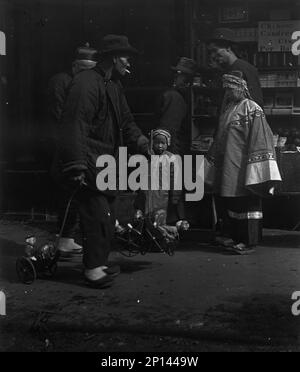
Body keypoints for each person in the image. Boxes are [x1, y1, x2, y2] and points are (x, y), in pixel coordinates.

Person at [57, 35, 150, 287]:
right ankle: (92, 269)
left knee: (106, 218)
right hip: (90, 162)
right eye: (125, 56)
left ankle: (97, 263)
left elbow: (127, 121)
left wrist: (142, 142)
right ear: (112, 57)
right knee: (97, 216)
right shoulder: (86, 83)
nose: (128, 60)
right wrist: (76, 164)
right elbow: (75, 125)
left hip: (106, 164)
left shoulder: (112, 85)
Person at [205, 71, 281, 254]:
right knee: (233, 203)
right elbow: (221, 138)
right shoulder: (229, 109)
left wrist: (256, 165)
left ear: (240, 88)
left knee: (248, 204)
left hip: (245, 165)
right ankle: (235, 237)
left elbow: (260, 137)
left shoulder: (252, 108)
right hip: (230, 165)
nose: (227, 93)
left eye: (230, 89)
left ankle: (249, 241)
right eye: (226, 90)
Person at [47, 44, 98, 257]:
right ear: (74, 65)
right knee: (70, 190)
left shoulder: (83, 83)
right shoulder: (61, 81)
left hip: (78, 141)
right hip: (64, 142)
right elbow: (61, 117)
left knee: (77, 191)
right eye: (83, 68)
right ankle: (64, 238)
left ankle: (67, 237)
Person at [207, 28, 264, 109]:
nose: (212, 56)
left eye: (215, 50)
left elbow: (256, 103)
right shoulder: (227, 70)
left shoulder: (243, 68)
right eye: (210, 52)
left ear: (228, 48)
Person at [156, 57, 198, 154]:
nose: (175, 76)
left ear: (187, 79)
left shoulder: (178, 96)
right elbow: (168, 131)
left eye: (180, 74)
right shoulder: (174, 96)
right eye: (176, 73)